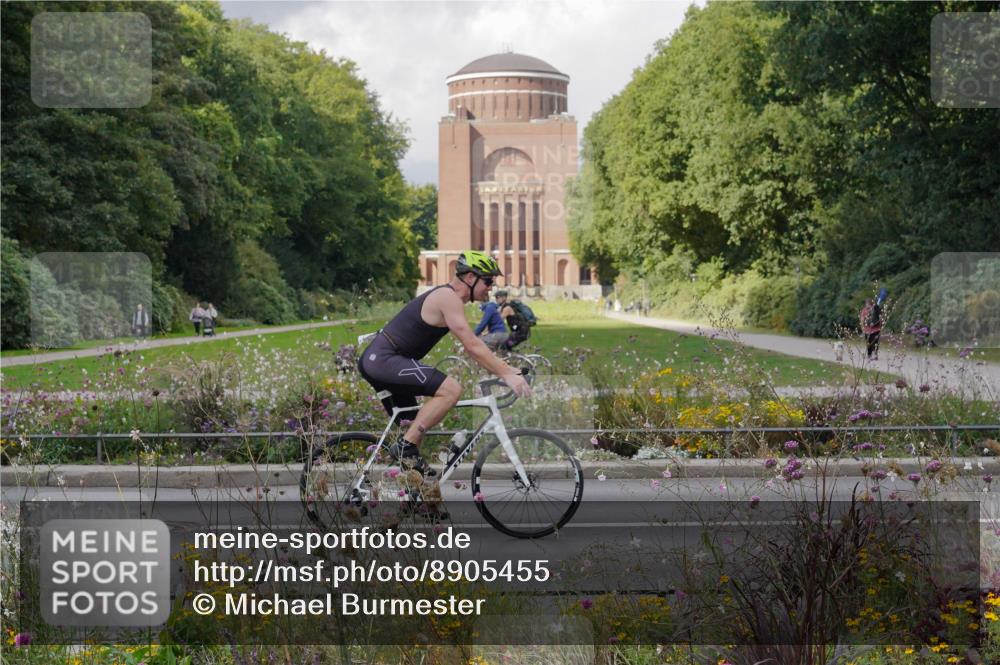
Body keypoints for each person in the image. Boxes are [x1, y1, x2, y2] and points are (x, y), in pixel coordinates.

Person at [357, 251, 531, 476]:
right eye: (488, 281)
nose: (490, 287)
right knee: (451, 390)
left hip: (383, 361)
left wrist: (509, 370)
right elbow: (472, 345)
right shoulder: (447, 298)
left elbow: (475, 348)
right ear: (470, 278)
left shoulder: (449, 298)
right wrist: (506, 374)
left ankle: (416, 492)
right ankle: (405, 448)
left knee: (413, 431)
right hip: (383, 360)